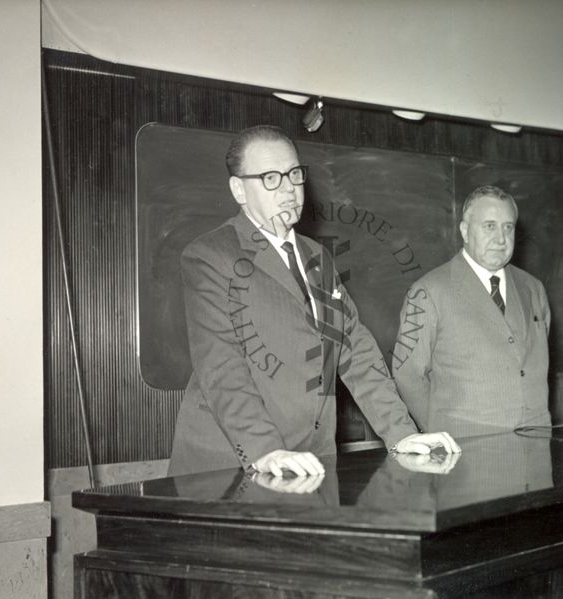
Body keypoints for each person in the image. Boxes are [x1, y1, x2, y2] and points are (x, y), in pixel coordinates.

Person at [168, 125, 459, 477]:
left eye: (294, 174)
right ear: (238, 190)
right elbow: (222, 366)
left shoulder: (318, 257)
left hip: (313, 461)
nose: (289, 189)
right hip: (231, 467)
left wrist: (402, 434)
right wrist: (267, 452)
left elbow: (357, 352)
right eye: (270, 178)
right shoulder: (210, 256)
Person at [392, 185, 551, 437]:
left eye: (507, 227)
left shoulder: (533, 289)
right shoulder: (428, 291)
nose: (501, 239)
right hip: (467, 452)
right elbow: (408, 375)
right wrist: (438, 432)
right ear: (465, 231)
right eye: (489, 226)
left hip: (537, 449)